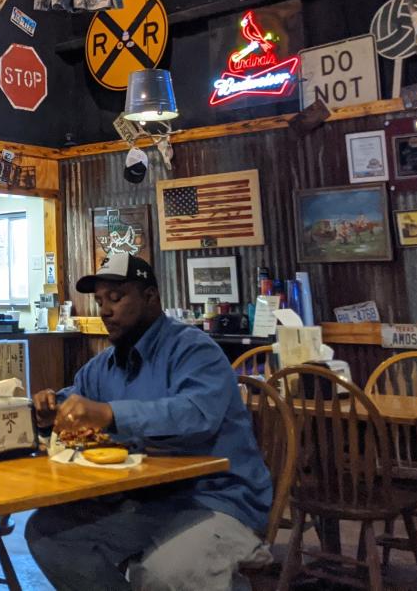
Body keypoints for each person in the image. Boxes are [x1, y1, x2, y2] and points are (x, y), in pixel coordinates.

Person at [25, 253, 272, 591]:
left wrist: (108, 414)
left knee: (163, 573)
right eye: (99, 301)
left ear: (150, 297)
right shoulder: (103, 366)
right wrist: (48, 411)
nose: (105, 310)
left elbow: (196, 414)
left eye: (116, 297)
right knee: (48, 535)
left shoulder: (195, 350)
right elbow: (73, 400)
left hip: (219, 498)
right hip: (150, 501)